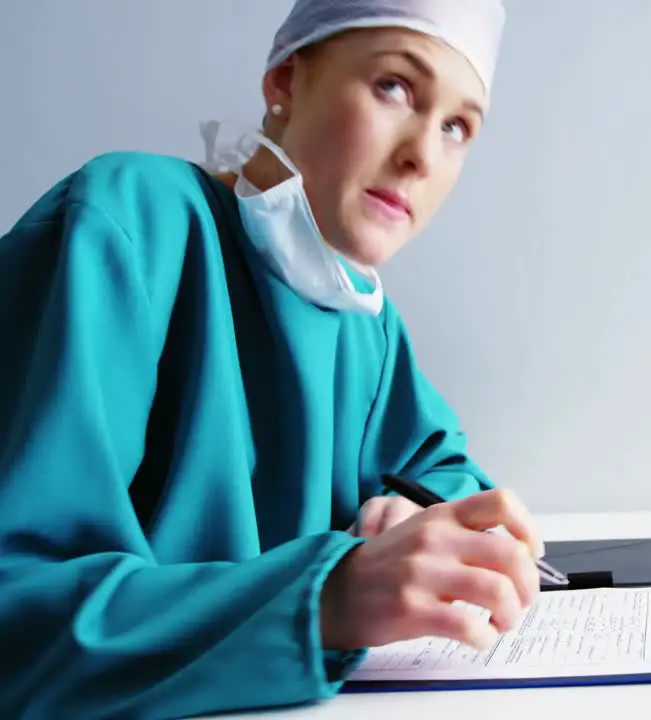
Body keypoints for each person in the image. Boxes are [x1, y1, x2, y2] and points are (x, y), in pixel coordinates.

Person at [0, 1, 543, 717]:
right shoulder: (126, 226)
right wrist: (328, 598)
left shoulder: (363, 325)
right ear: (286, 79)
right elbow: (17, 618)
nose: (422, 154)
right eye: (395, 87)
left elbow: (440, 472)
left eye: (457, 127)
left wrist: (411, 516)